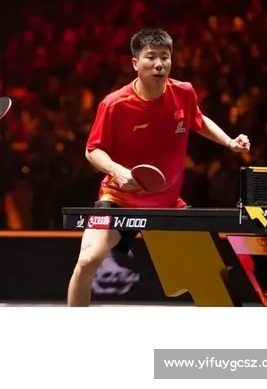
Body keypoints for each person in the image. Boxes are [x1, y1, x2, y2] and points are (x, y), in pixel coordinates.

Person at [67, 28, 251, 307]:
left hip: (168, 203)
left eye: (164, 57)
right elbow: (92, 150)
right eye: (150, 57)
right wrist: (116, 170)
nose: (159, 64)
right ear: (135, 63)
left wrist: (229, 141)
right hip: (120, 199)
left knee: (211, 271)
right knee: (86, 261)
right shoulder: (115, 104)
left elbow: (198, 119)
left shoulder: (184, 92)